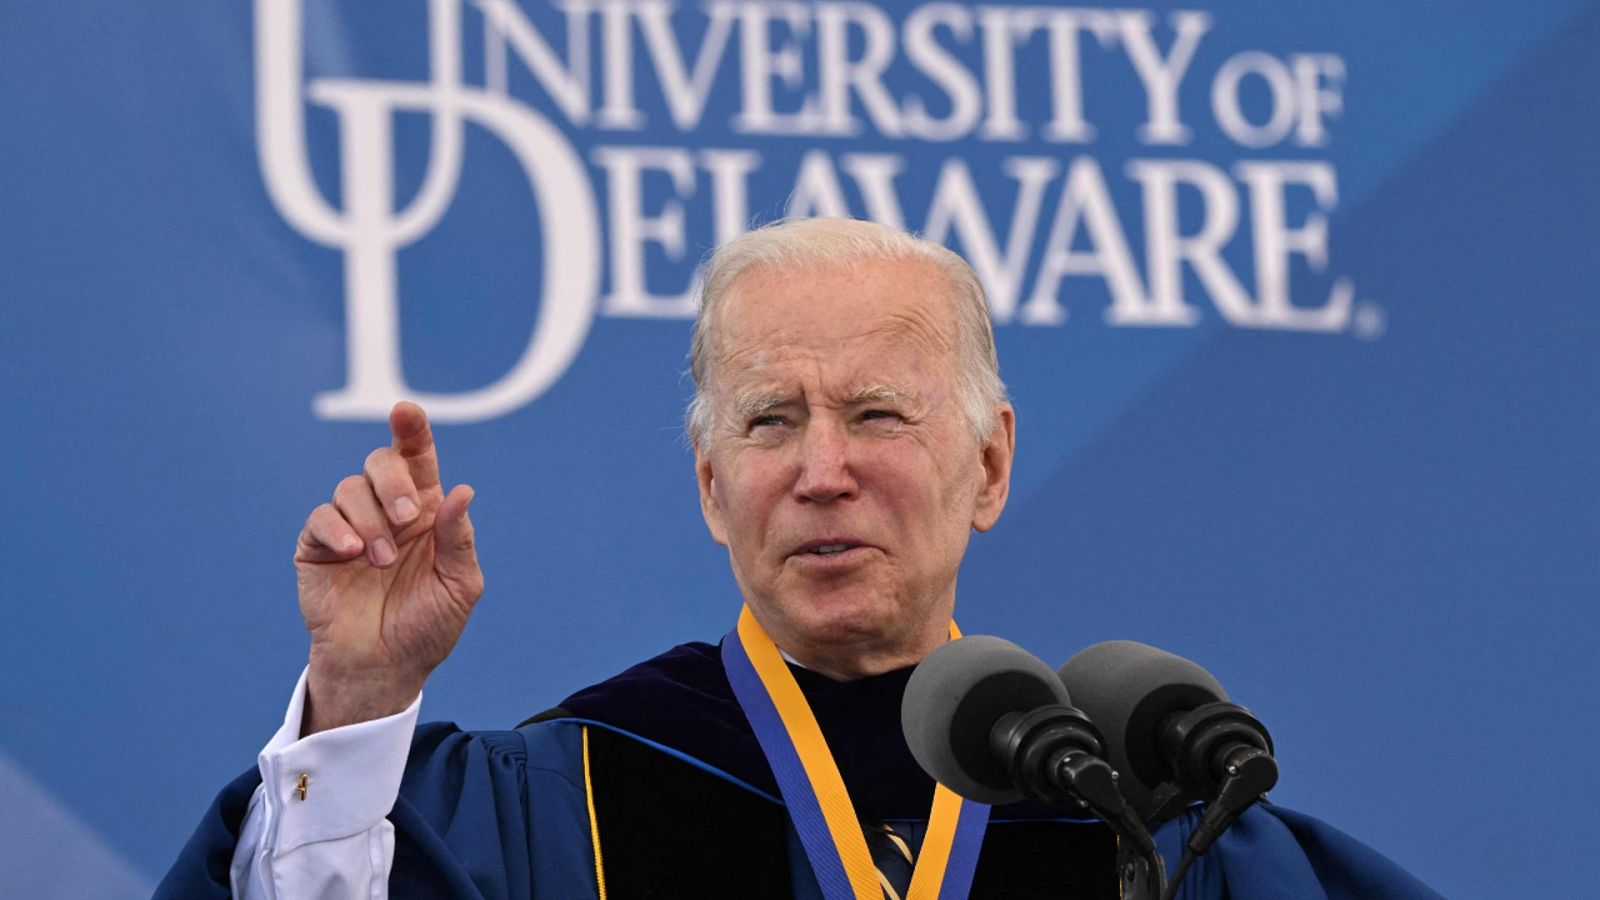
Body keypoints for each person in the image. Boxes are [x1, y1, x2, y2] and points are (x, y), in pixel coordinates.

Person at [158, 218, 1439, 899]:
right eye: (770, 421)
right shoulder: (562, 801)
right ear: (715, 490)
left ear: (987, 466)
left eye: (878, 413)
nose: (821, 468)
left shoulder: (1145, 828)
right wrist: (363, 697)